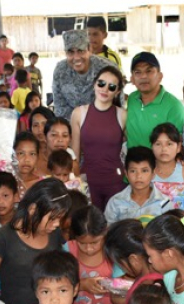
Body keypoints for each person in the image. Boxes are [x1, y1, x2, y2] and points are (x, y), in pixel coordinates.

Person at [0, 178, 70, 304]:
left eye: (60, 218)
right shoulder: (2, 238)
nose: (57, 224)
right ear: (33, 210)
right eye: (52, 218)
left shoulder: (54, 234)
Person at [70, 66, 127, 210]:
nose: (105, 89)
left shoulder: (123, 115)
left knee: (114, 230)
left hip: (116, 183)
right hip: (87, 183)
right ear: (94, 84)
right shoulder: (78, 113)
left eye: (111, 87)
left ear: (117, 92)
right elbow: (74, 156)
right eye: (101, 83)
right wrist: (75, 183)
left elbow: (131, 150)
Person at [67, 205, 120, 304]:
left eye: (95, 242)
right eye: (82, 243)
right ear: (74, 236)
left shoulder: (113, 252)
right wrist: (81, 285)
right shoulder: (67, 250)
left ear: (105, 231)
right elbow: (57, 283)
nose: (88, 249)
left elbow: (125, 286)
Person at [126, 52, 184, 149]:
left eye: (149, 71)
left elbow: (179, 144)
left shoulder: (174, 106)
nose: (143, 76)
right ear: (132, 79)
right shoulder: (132, 99)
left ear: (160, 76)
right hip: (132, 162)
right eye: (138, 72)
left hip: (158, 164)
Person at [52, 30, 117, 120]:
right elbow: (60, 109)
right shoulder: (60, 71)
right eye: (71, 52)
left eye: (81, 51)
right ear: (66, 53)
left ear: (89, 49)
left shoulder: (107, 68)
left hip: (104, 123)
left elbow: (117, 105)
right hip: (72, 126)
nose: (76, 57)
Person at [104, 147, 172, 224]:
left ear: (153, 173)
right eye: (133, 171)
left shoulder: (164, 203)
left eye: (144, 171)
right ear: (126, 174)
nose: (138, 176)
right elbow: (109, 232)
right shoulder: (115, 202)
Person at [150, 123, 184, 222]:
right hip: (152, 231)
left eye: (169, 144)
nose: (164, 149)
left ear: (178, 147)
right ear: (152, 147)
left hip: (180, 231)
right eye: (158, 144)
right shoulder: (147, 172)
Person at [13, 131, 44, 196]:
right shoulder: (4, 183)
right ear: (13, 154)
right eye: (21, 153)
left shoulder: (42, 184)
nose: (27, 159)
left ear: (38, 157)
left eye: (32, 154)